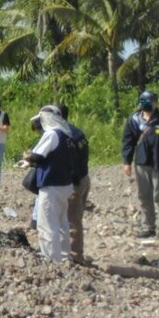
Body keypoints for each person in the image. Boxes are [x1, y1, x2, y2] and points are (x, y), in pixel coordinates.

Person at [24, 105, 78, 264]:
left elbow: (38, 156)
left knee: (47, 224)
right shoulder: (67, 135)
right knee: (62, 223)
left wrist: (27, 157)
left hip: (51, 184)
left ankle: (51, 259)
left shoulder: (52, 134)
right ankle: (64, 255)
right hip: (65, 185)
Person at [120, 90, 159, 239]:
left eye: (150, 101)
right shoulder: (134, 119)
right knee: (144, 195)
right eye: (144, 102)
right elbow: (128, 141)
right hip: (141, 162)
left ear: (155, 103)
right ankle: (148, 227)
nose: (147, 105)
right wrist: (127, 162)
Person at [58, 103, 91, 264]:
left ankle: (76, 256)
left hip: (74, 183)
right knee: (75, 218)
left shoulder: (63, 136)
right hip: (84, 178)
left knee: (72, 220)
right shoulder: (77, 132)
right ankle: (71, 252)